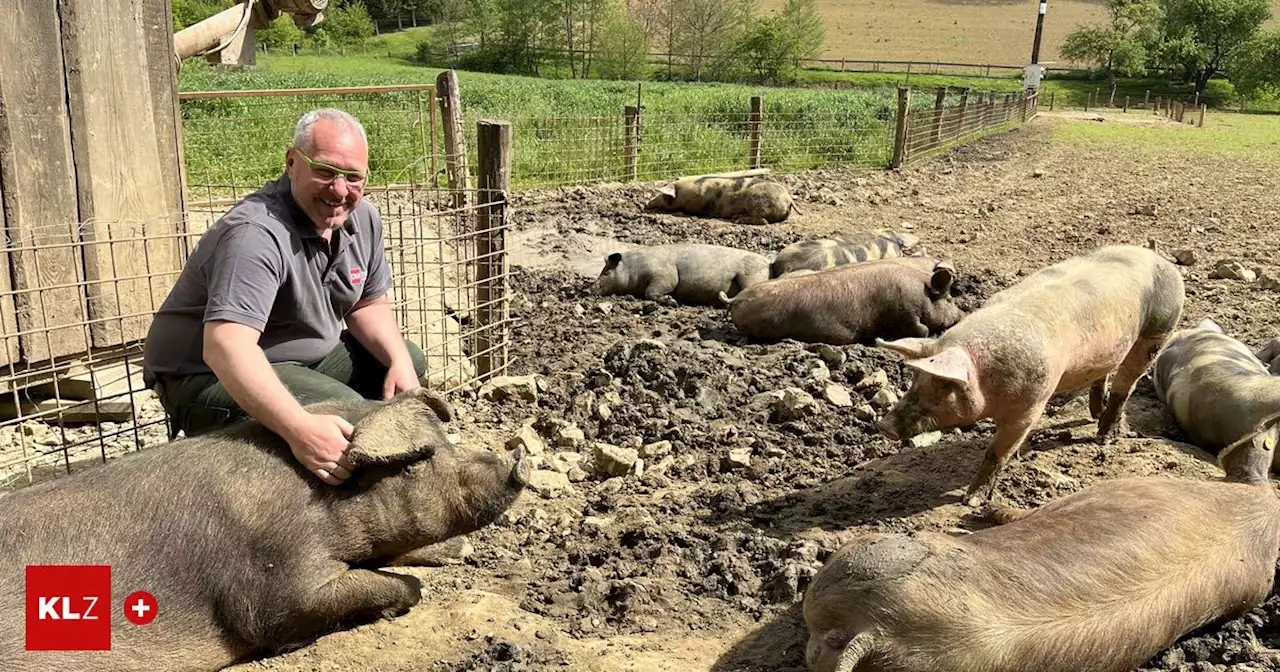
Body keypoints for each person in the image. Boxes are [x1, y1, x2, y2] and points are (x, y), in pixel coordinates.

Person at [143, 108, 428, 486]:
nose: (340, 190)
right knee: (351, 416)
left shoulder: (362, 220)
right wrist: (301, 429)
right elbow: (226, 346)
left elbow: (367, 303)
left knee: (408, 361)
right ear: (292, 162)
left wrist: (396, 361)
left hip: (298, 358)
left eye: (353, 177)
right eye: (325, 171)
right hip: (205, 375)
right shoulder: (254, 234)